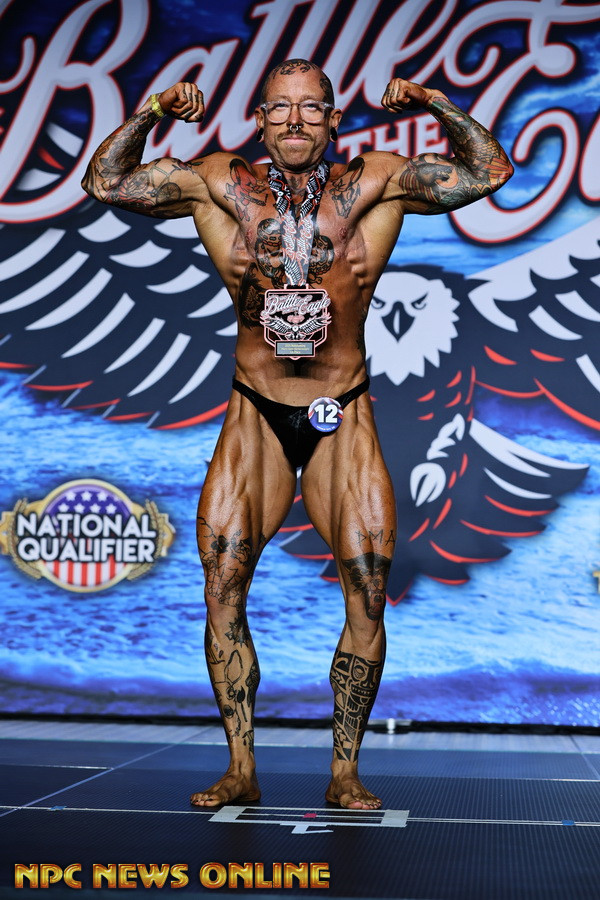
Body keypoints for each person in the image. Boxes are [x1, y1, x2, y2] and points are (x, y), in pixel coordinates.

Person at [82, 58, 513, 810]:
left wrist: (432, 99)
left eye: (311, 108)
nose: (294, 120)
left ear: (334, 119)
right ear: (258, 119)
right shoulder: (221, 183)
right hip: (256, 409)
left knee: (368, 592)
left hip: (341, 409)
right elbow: (105, 182)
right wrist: (154, 109)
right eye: (280, 107)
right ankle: (240, 767)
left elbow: (488, 171)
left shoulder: (374, 182)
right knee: (222, 586)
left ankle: (345, 772)